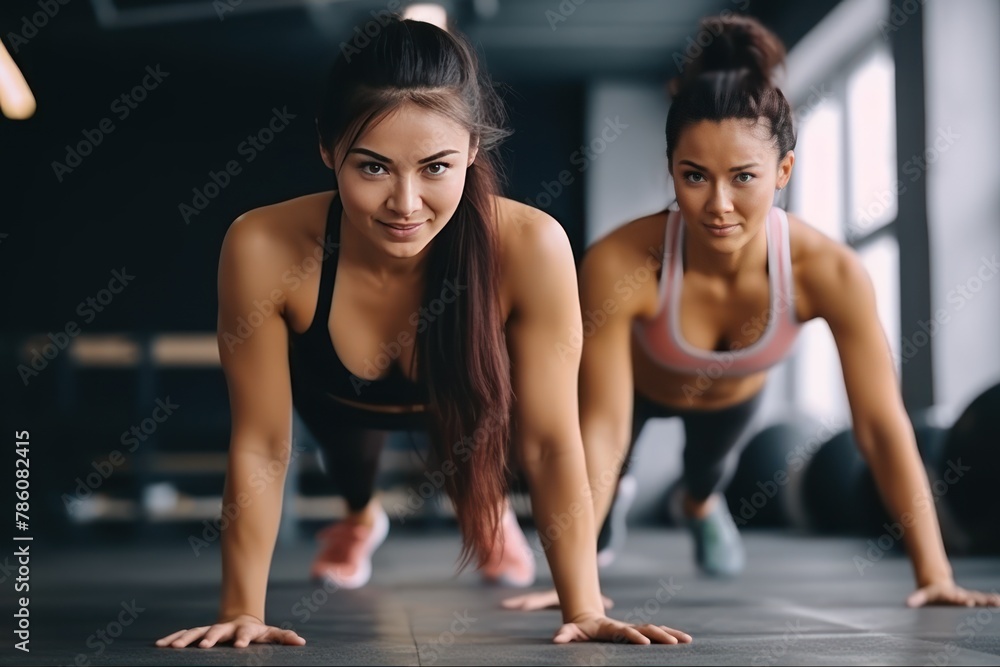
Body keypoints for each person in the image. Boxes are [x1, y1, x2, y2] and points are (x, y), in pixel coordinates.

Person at [155, 17, 693, 649]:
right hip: (338, 407)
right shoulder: (264, 246)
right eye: (373, 168)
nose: (406, 203)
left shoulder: (531, 246)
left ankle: (484, 508)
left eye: (435, 167)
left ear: (471, 150)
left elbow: (549, 441)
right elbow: (262, 445)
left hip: (468, 403)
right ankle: (360, 517)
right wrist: (242, 608)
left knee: (483, 446)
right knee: (353, 474)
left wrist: (581, 607)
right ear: (328, 150)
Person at [505, 14, 1000, 612]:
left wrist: (934, 572)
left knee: (703, 478)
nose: (718, 206)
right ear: (671, 169)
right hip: (634, 392)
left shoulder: (830, 272)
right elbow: (603, 429)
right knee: (600, 521)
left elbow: (881, 426)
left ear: (783, 172)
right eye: (694, 177)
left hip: (730, 401)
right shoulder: (619, 262)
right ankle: (619, 529)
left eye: (744, 178)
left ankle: (699, 505)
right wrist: (574, 590)